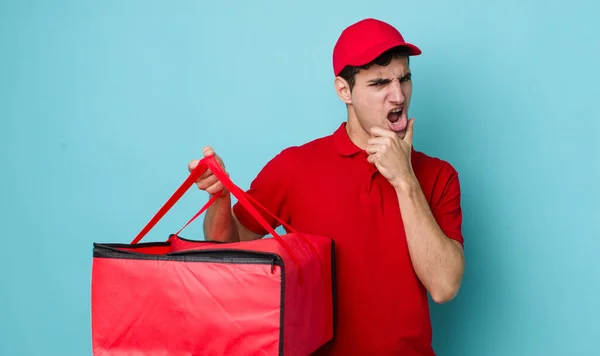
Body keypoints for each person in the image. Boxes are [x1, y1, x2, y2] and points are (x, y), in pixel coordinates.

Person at [188, 17, 465, 356]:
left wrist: (404, 178)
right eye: (380, 83)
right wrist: (220, 197)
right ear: (344, 90)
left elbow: (444, 286)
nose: (398, 95)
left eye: (404, 79)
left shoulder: (438, 175)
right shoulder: (295, 167)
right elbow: (225, 249)